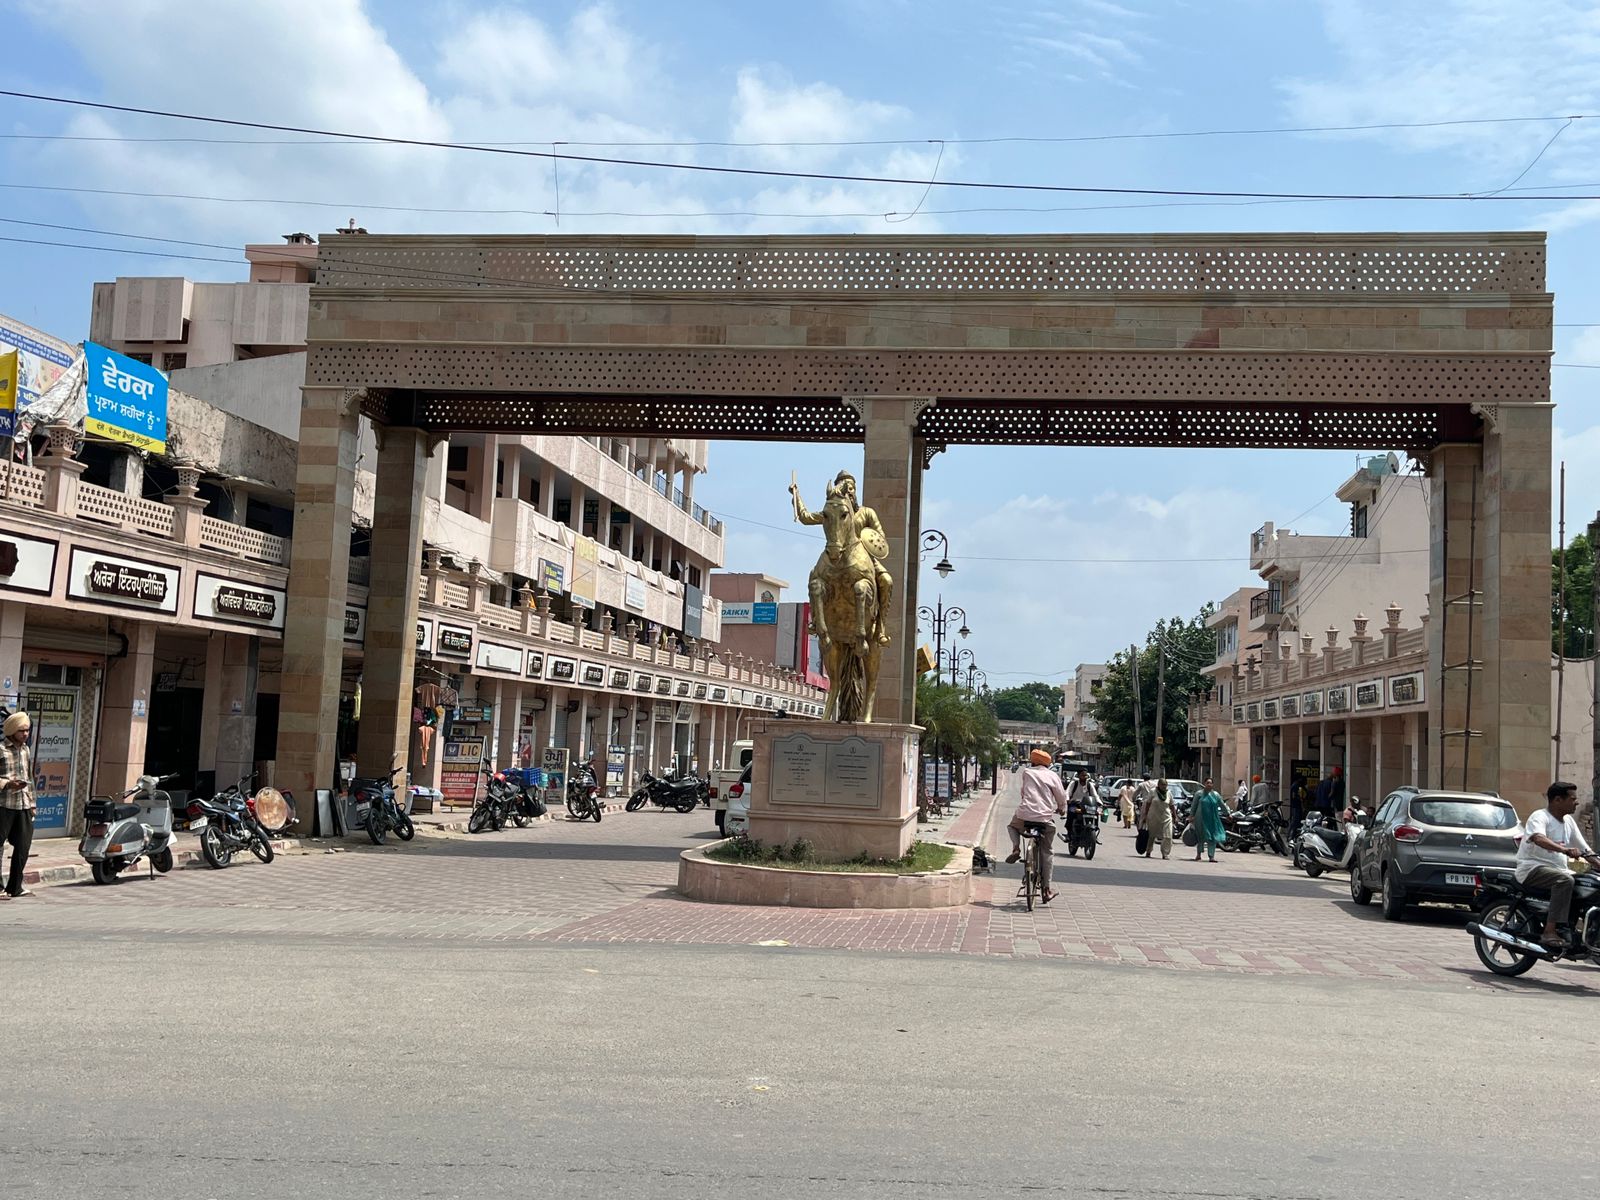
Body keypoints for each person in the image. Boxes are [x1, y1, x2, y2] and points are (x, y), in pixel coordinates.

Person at [1516, 781, 1600, 950]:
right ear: (1557, 800)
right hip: (1532, 868)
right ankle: (1550, 931)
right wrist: (1565, 850)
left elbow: (1586, 850)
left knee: (1589, 882)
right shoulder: (1540, 816)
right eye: (1572, 798)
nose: (1576, 802)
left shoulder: (1568, 820)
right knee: (1564, 880)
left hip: (1559, 869)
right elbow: (1538, 838)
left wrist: (1597, 864)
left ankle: (1572, 926)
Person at [1005, 748, 1069, 903]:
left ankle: (1016, 848)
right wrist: (1062, 809)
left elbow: (1023, 792)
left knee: (1012, 826)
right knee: (1047, 851)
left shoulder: (1027, 772)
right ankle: (1046, 890)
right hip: (1044, 818)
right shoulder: (1053, 775)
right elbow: (1061, 796)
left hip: (1025, 815)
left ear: (1033, 761)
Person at [0, 710, 36, 899]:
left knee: (23, 846)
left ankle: (16, 887)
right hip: (3, 804)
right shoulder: (1, 749)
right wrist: (7, 783)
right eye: (22, 731)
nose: (25, 734)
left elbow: (30, 777)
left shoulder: (26, 750)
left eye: (27, 730)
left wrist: (33, 803)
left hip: (22, 804)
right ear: (12, 730)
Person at [1192, 777, 1228, 863]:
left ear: (1212, 785)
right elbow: (1194, 806)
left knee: (1212, 837)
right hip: (1200, 818)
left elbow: (1222, 805)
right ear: (1204, 784)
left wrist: (1228, 814)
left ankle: (1211, 856)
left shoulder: (1216, 795)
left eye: (1210, 783)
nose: (1209, 784)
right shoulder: (1199, 794)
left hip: (1212, 819)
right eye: (1207, 783)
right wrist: (1191, 816)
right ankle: (1198, 854)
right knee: (1200, 836)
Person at [1140, 776, 1175, 860]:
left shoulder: (1169, 793)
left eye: (1165, 785)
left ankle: (1165, 853)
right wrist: (1145, 815)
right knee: (1151, 836)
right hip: (1153, 817)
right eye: (1162, 784)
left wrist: (1175, 816)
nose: (1164, 786)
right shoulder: (1153, 792)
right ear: (1158, 784)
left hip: (1166, 817)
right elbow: (1148, 804)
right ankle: (1148, 851)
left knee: (1168, 835)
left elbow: (1172, 805)